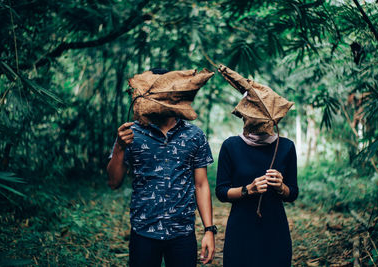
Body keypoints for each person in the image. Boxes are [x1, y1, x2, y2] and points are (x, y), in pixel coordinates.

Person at [107, 68, 216, 267]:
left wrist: (209, 230)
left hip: (182, 232)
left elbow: (201, 185)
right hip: (143, 231)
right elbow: (114, 182)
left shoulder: (194, 135)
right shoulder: (131, 133)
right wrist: (120, 147)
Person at [216, 65, 298, 267]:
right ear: (245, 115)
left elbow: (293, 192)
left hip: (275, 228)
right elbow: (221, 192)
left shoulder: (286, 146)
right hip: (241, 229)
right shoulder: (230, 146)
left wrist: (281, 187)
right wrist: (248, 190)